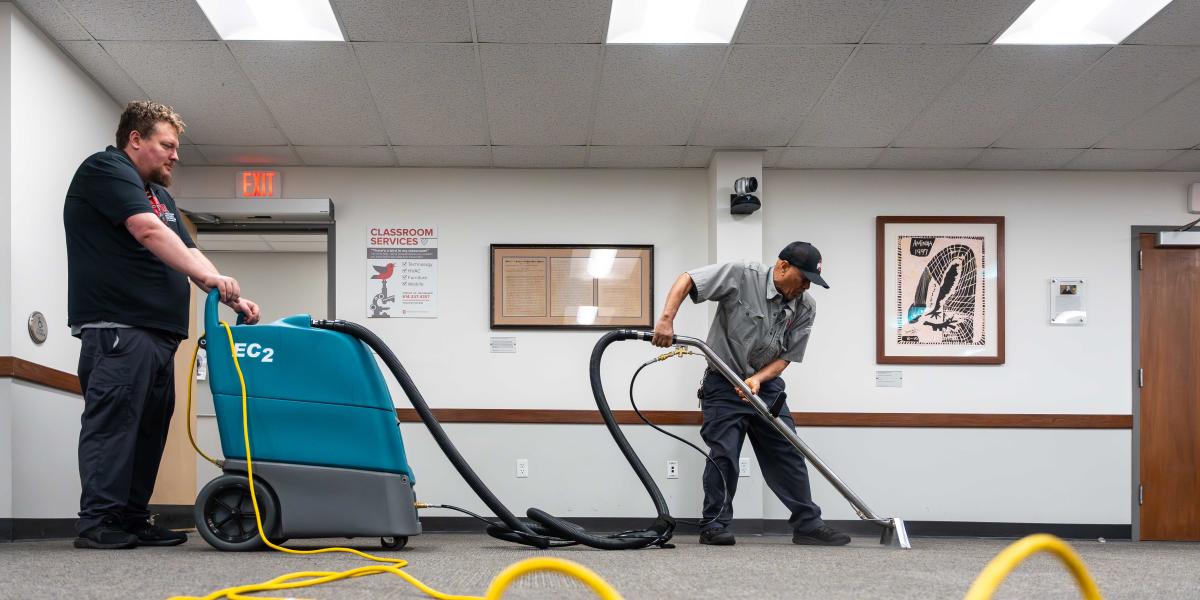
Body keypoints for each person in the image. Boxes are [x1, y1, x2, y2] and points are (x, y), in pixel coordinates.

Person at [64, 101, 261, 550]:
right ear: (136, 139)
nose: (176, 156)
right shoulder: (105, 170)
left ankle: (132, 517)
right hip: (119, 327)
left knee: (150, 428)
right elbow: (146, 232)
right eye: (167, 145)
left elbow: (188, 253)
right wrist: (211, 280)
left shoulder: (160, 196)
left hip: (157, 334)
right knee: (114, 425)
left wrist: (229, 292)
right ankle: (98, 522)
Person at [652, 241, 850, 547]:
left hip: (766, 387)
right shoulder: (743, 275)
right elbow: (688, 278)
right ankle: (715, 524)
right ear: (783, 266)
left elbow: (787, 357)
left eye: (812, 281)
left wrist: (757, 379)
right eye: (804, 277)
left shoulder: (806, 306)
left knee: (788, 451)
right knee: (725, 454)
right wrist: (666, 319)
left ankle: (808, 524)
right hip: (723, 382)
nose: (807, 286)